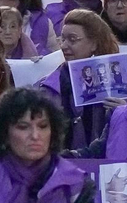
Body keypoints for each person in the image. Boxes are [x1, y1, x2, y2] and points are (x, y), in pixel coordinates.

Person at [41, 9, 116, 150]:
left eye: (72, 39)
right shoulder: (48, 88)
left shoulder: (116, 82)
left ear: (94, 43)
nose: (63, 46)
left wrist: (122, 113)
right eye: (62, 39)